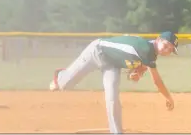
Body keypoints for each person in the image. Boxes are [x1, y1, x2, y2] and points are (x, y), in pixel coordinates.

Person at [49, 31, 178, 134]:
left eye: (170, 49)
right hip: (97, 51)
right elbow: (157, 82)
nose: (166, 50)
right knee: (64, 85)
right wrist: (169, 98)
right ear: (158, 39)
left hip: (112, 65)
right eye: (166, 45)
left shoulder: (150, 53)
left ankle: (116, 132)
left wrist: (135, 74)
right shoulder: (146, 49)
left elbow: (136, 68)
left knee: (112, 97)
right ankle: (61, 76)